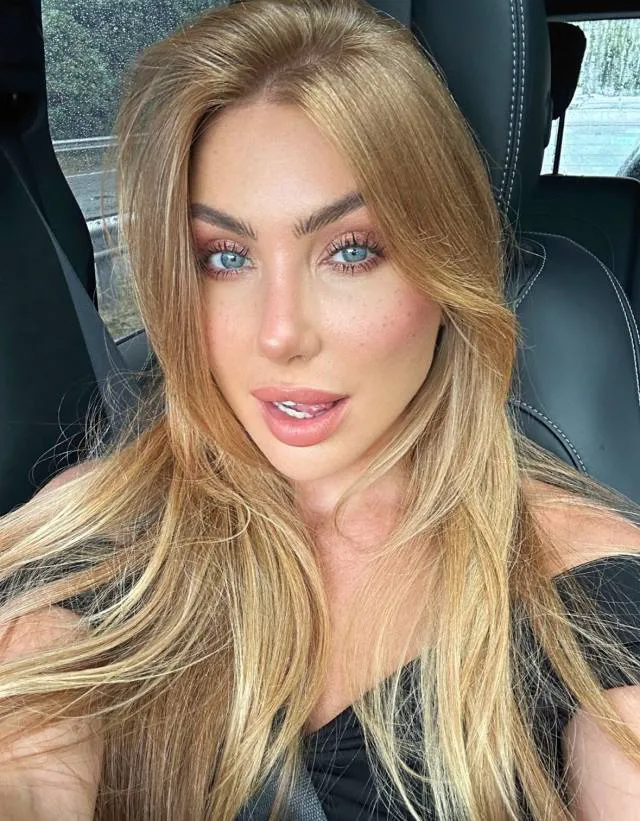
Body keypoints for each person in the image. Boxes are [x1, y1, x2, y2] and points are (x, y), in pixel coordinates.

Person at [1, 1, 640, 819]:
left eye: (351, 250)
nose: (279, 335)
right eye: (223, 257)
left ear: (447, 268)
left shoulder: (591, 590)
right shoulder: (99, 528)